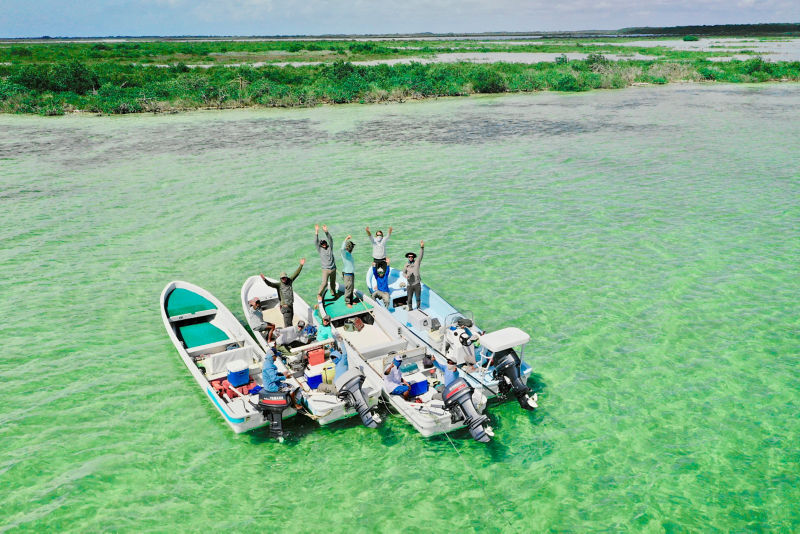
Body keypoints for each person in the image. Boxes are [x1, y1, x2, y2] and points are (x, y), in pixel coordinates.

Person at [261, 258, 304, 327]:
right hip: (285, 307)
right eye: (282, 278)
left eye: (285, 277)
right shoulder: (279, 285)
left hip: (291, 305)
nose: (284, 279)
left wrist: (301, 265)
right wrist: (264, 279)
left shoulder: (290, 281)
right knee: (287, 324)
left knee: (290, 321)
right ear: (280, 279)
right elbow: (270, 284)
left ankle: (290, 334)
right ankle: (289, 336)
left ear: (286, 277)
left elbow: (296, 273)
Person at [315, 224, 337, 300]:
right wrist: (316, 232)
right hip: (325, 269)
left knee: (333, 283)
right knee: (324, 283)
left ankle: (333, 293)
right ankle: (319, 294)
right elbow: (316, 242)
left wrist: (326, 231)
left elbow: (330, 239)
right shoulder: (320, 249)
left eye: (324, 243)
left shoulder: (330, 247)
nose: (324, 245)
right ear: (320, 245)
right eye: (322, 244)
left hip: (333, 268)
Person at [403, 240, 424, 310]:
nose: (410, 257)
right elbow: (403, 272)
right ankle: (410, 309)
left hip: (417, 284)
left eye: (412, 256)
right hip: (409, 285)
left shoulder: (417, 262)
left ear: (413, 257)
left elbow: (421, 255)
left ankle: (418, 308)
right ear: (408, 257)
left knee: (418, 297)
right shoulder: (406, 265)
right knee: (409, 298)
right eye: (409, 257)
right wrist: (405, 276)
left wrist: (422, 247)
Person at [341, 235, 356, 308]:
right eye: (352, 247)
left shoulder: (349, 254)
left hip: (351, 274)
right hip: (347, 274)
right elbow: (342, 248)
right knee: (348, 288)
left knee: (351, 288)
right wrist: (346, 239)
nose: (352, 248)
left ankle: (351, 301)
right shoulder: (344, 253)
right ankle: (347, 302)